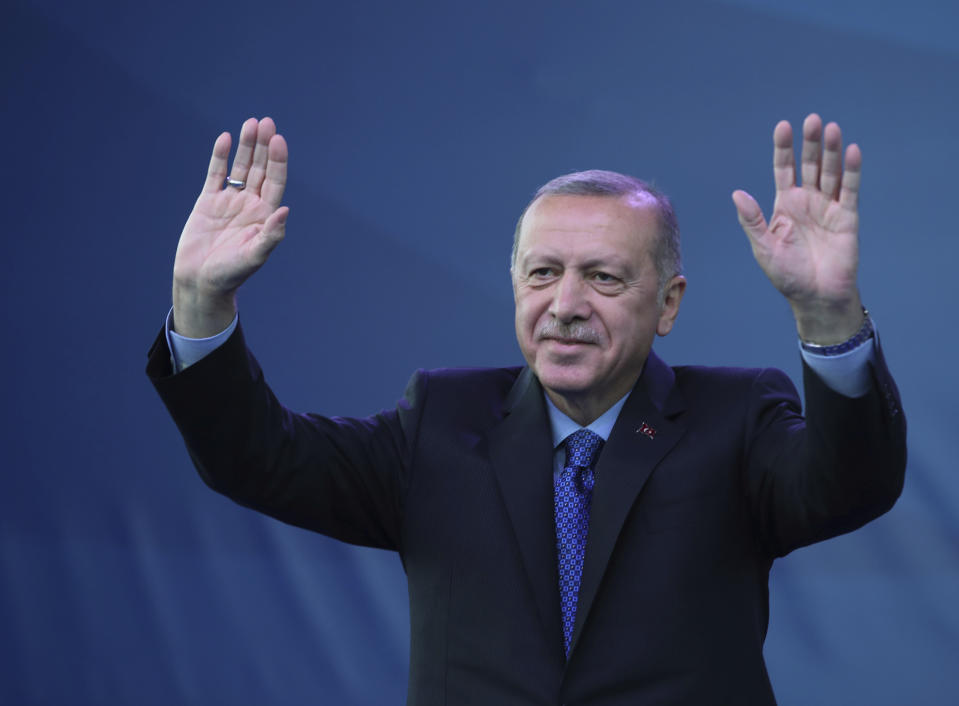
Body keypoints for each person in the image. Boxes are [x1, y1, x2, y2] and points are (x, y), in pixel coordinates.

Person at [148, 114, 906, 705]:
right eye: (542, 273)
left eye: (603, 278)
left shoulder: (736, 419)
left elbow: (850, 484)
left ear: (667, 304)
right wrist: (200, 301)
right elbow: (256, 457)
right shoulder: (439, 421)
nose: (564, 305)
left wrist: (826, 315)